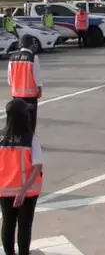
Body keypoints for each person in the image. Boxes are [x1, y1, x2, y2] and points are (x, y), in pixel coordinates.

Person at [0, 98, 43, 255]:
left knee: (8, 224)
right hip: (28, 191)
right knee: (25, 225)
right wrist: (23, 191)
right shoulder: (31, 139)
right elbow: (37, 166)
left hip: (5, 190)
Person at [7, 37, 42, 133]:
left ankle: (18, 139)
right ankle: (30, 140)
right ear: (30, 45)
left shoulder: (12, 57)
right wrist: (39, 89)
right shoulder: (33, 58)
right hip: (30, 95)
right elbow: (37, 76)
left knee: (18, 118)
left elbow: (10, 78)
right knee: (30, 120)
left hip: (16, 95)